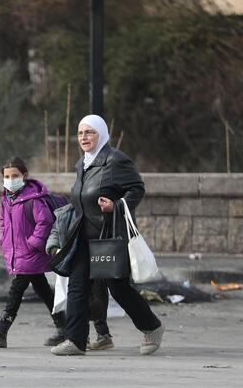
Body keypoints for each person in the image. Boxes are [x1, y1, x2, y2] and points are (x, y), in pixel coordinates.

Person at [49, 114, 164, 356]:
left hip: (108, 236)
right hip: (83, 235)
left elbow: (137, 188)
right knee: (78, 287)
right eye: (80, 133)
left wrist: (116, 205)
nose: (84, 137)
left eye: (89, 132)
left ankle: (152, 327)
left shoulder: (115, 160)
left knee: (118, 288)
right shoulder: (82, 164)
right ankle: (75, 341)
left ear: (101, 134)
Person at [0, 157, 65, 348]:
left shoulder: (33, 199)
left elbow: (45, 221)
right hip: (17, 252)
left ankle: (2, 327)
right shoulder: (6, 199)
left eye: (15, 175)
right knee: (42, 289)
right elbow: (3, 222)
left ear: (24, 176)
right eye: (7, 176)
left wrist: (32, 243)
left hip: (30, 252)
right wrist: (4, 240)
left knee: (17, 289)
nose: (10, 179)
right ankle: (64, 326)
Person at [46, 204, 114, 351]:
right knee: (79, 298)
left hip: (92, 258)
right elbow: (55, 232)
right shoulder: (67, 213)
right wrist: (53, 249)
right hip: (72, 259)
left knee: (95, 298)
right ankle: (84, 336)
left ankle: (101, 334)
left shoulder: (96, 213)